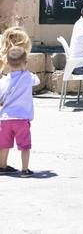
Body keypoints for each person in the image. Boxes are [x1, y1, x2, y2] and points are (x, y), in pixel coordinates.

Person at [0, 46, 39, 177]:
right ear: (25, 63)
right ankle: (24, 169)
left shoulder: (4, 80)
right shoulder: (28, 77)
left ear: (7, 63)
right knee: (24, 145)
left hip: (5, 118)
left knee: (4, 144)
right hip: (22, 118)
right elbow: (37, 81)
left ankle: (2, 165)